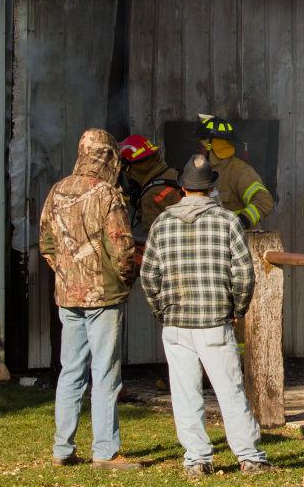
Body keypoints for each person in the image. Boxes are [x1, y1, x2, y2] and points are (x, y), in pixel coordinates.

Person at [140, 153, 271, 477]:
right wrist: (237, 309)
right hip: (215, 322)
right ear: (211, 188)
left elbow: (149, 276)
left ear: (183, 188)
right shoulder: (227, 222)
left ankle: (197, 460)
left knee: (185, 395)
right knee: (230, 391)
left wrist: (162, 311)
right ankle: (249, 457)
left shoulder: (162, 223)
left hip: (176, 324)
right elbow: (243, 274)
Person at [39, 128, 140, 470]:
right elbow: (122, 249)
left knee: (70, 372)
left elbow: (47, 245)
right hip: (103, 298)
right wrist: (123, 280)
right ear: (108, 157)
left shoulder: (56, 191)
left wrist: (67, 274)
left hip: (67, 296)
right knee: (105, 373)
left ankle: (62, 448)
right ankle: (105, 451)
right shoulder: (106, 194)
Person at [195, 115, 273, 229]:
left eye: (200, 147)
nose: (197, 151)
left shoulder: (239, 171)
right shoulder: (201, 172)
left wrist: (240, 222)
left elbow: (264, 201)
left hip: (237, 240)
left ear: (211, 148)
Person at [119, 134, 181, 242]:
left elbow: (152, 242)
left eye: (125, 170)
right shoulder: (173, 174)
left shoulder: (150, 197)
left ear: (133, 168)